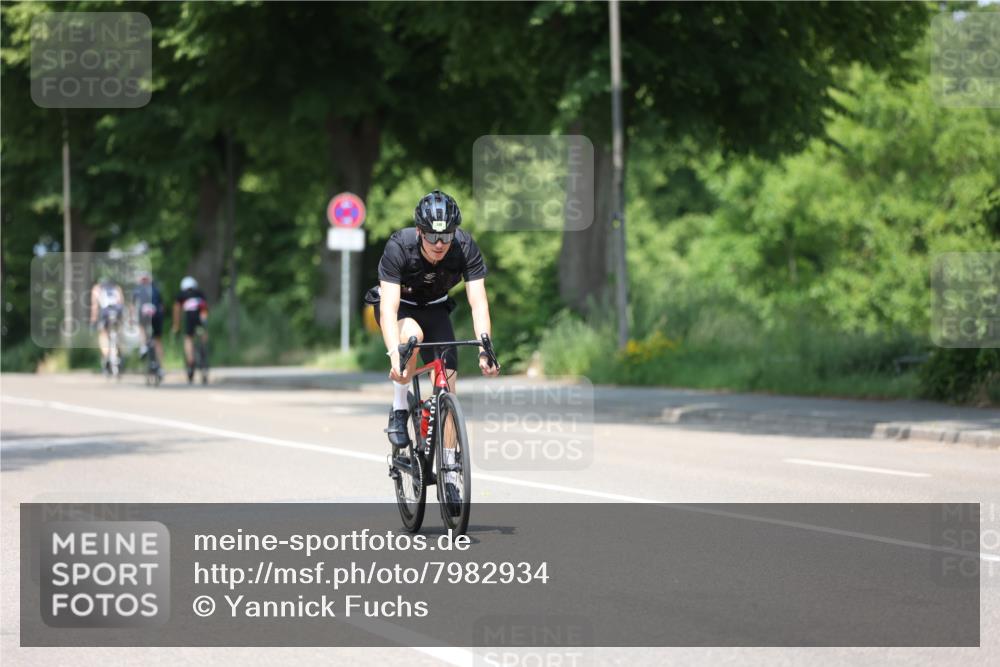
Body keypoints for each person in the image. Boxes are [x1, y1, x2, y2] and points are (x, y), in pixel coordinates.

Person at [364, 190, 500, 506]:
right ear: (421, 232)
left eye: (446, 236)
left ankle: (451, 471)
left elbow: (478, 302)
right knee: (411, 336)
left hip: (437, 309)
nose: (440, 244)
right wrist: (394, 356)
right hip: (402, 310)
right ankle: (400, 407)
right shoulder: (400, 246)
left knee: (448, 388)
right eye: (433, 237)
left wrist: (485, 348)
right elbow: (388, 308)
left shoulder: (464, 247)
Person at [172, 276, 209, 384]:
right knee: (203, 334)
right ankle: (204, 353)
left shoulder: (182, 295)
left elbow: (177, 310)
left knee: (188, 338)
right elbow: (205, 308)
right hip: (201, 318)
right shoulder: (200, 293)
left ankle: (191, 361)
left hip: (190, 319)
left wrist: (176, 325)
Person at [131, 270, 165, 379]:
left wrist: (131, 319)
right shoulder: (155, 289)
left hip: (144, 314)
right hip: (155, 314)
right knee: (158, 340)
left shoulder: (137, 290)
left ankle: (143, 346)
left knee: (141, 328)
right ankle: (161, 367)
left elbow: (133, 306)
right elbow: (161, 306)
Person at [89, 276, 125, 374]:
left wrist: (93, 320)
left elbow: (95, 306)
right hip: (117, 312)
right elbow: (121, 303)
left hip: (105, 313)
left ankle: (107, 357)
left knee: (103, 335)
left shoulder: (97, 288)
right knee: (117, 333)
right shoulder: (117, 288)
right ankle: (118, 354)